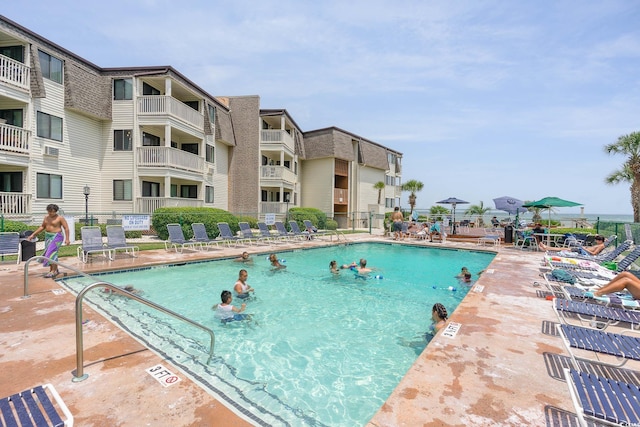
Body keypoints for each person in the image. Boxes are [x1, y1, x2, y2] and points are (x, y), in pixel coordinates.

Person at [27, 204, 70, 278]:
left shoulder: (60, 218)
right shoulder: (46, 218)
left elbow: (66, 228)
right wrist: (33, 235)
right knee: (50, 253)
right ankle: (55, 270)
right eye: (49, 211)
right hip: (48, 236)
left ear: (56, 211)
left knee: (51, 253)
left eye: (52, 212)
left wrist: (67, 239)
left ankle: (52, 271)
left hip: (57, 236)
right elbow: (42, 227)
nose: (51, 213)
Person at [539, 235, 605, 255]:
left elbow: (594, 253)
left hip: (581, 251)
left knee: (562, 249)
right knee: (563, 248)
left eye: (597, 240)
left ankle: (546, 248)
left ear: (600, 241)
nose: (595, 241)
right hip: (582, 250)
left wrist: (585, 249)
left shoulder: (600, 246)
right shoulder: (601, 244)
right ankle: (546, 248)